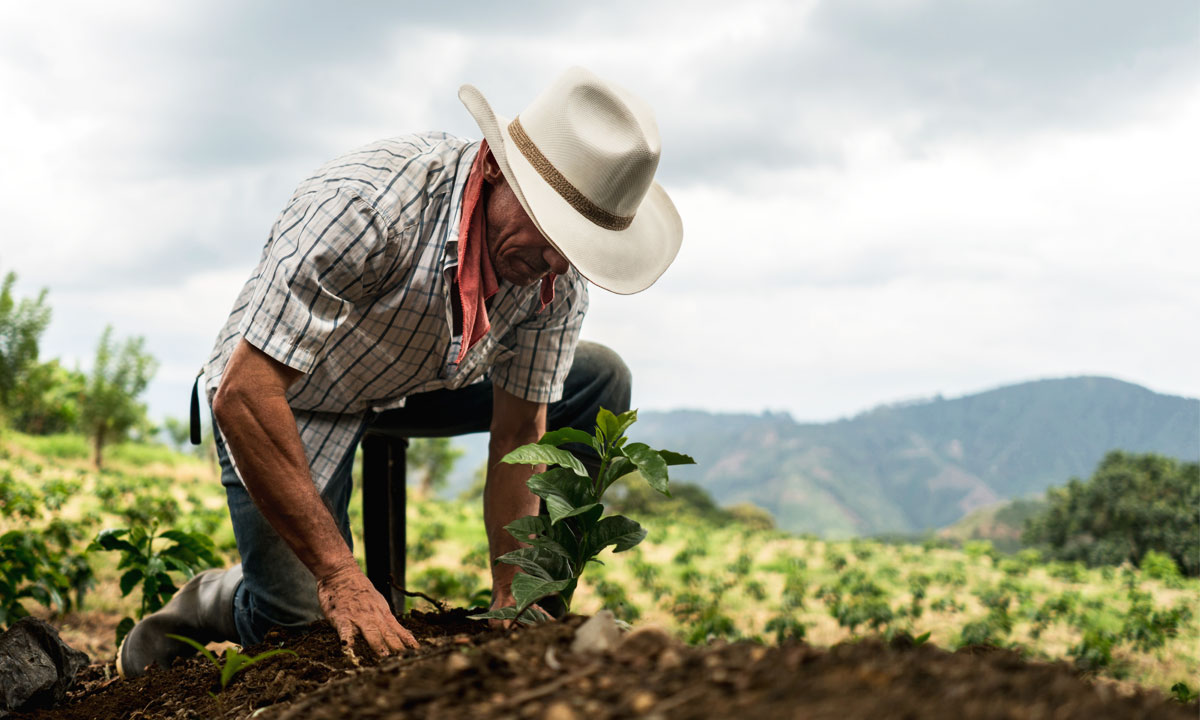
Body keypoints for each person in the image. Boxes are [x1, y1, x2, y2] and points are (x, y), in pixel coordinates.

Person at [116, 67, 682, 678]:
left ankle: (537, 609)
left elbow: (521, 434)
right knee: (301, 626)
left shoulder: (553, 277)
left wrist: (512, 596)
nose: (554, 262)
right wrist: (338, 574)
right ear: (495, 168)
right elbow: (246, 392)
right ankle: (216, 598)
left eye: (574, 246)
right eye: (549, 231)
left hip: (419, 381)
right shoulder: (368, 207)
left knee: (599, 379)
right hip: (292, 391)